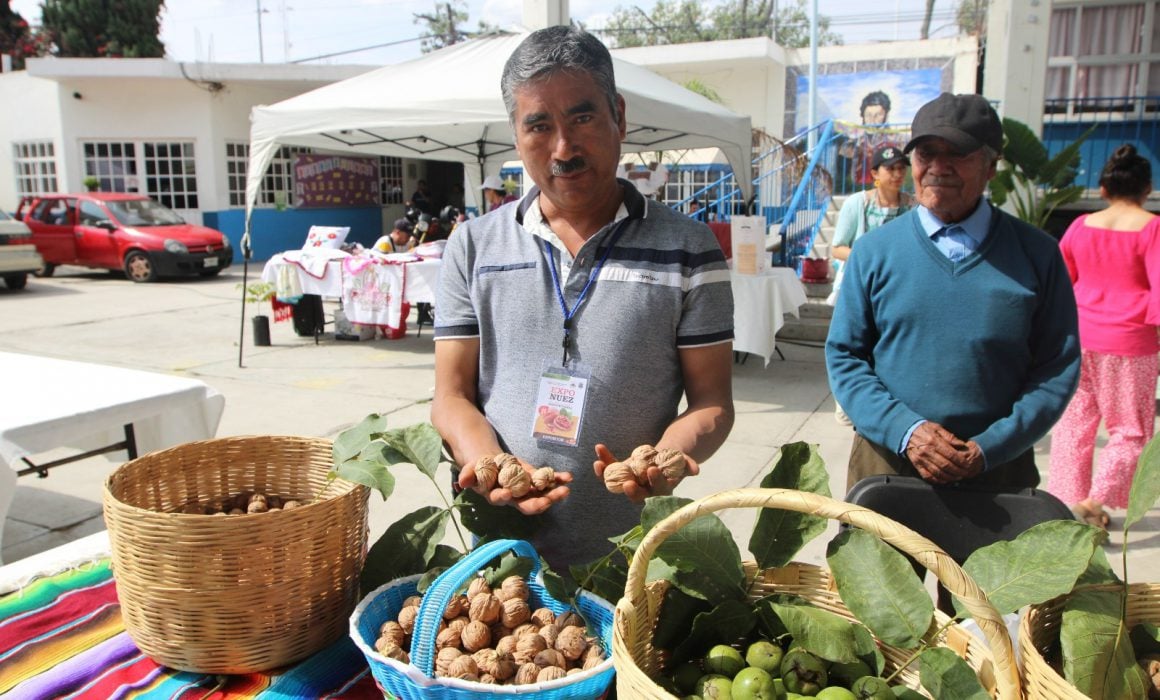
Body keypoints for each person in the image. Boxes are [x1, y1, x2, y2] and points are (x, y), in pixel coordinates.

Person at [431, 25, 735, 571]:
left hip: (634, 554)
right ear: (516, 133)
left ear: (618, 114)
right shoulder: (472, 246)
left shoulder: (689, 248)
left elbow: (713, 403)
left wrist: (668, 458)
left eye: (583, 117)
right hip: (502, 553)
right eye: (539, 126)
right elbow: (450, 396)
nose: (563, 148)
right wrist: (485, 461)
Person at [825, 92, 1081, 494]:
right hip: (888, 465)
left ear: (991, 165)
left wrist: (990, 447)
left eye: (957, 154)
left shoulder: (1037, 254)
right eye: (926, 154)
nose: (938, 168)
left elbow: (1056, 368)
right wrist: (906, 431)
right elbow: (845, 355)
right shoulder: (874, 251)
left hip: (998, 474)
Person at [1047, 145, 1160, 529]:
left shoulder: (1080, 226)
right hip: (1130, 342)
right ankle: (1094, 502)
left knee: (1074, 423)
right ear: (1147, 188)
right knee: (1129, 429)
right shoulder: (1152, 228)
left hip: (1079, 338)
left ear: (1104, 188)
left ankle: (1069, 505)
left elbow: (1059, 282)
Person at [826, 144, 915, 425]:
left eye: (902, 168)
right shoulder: (858, 204)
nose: (897, 174)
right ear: (875, 173)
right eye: (891, 168)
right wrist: (871, 260)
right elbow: (837, 248)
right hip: (860, 288)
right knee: (853, 346)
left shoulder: (913, 207)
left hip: (899, 290)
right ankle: (847, 401)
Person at [838, 90, 898, 193]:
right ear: (863, 116)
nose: (872, 120)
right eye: (868, 115)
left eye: (878, 115)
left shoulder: (894, 140)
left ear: (886, 116)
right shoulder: (856, 140)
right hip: (859, 187)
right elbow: (843, 157)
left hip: (882, 187)